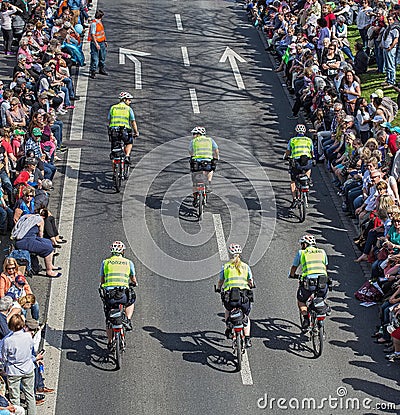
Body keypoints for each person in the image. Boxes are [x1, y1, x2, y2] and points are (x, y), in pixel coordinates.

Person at [99, 241, 137, 350]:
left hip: (109, 296)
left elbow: (102, 280)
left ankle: (110, 341)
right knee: (131, 300)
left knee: (109, 319)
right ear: (122, 251)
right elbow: (133, 279)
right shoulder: (128, 262)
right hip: (123, 294)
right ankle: (128, 319)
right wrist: (134, 283)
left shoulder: (105, 262)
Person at [289, 235, 331, 331]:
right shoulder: (322, 252)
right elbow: (325, 267)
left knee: (301, 300)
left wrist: (292, 275)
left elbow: (294, 267)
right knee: (320, 297)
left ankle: (306, 320)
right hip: (323, 281)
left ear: (304, 244)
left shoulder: (302, 253)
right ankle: (323, 307)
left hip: (309, 283)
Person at [217, 243, 254, 348]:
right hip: (243, 297)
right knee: (246, 317)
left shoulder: (226, 266)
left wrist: (219, 288)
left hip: (230, 297)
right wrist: (251, 285)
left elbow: (221, 281)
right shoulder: (245, 267)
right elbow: (250, 280)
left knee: (228, 310)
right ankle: (247, 339)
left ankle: (229, 328)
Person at [2, 314, 37, 415]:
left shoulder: (8, 341)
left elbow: (4, 357)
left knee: (14, 397)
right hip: (28, 368)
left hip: (13, 371)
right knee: (30, 394)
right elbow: (31, 350)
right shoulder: (28, 336)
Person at [285, 124, 314, 208]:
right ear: (304, 132)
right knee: (309, 166)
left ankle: (294, 199)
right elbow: (312, 152)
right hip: (306, 162)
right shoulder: (309, 140)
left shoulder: (292, 140)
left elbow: (288, 152)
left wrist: (285, 157)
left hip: (296, 163)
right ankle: (308, 179)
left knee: (293, 181)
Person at [189, 126, 219, 206]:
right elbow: (216, 150)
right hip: (207, 162)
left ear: (198, 134)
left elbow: (190, 152)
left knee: (195, 182)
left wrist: (193, 157)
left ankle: (195, 198)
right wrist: (215, 159)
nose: (193, 135)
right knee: (211, 169)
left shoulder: (193, 141)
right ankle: (208, 182)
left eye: (194, 134)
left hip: (196, 163)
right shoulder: (210, 140)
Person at [108, 91, 139, 166]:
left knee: (114, 152)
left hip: (113, 131)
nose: (130, 101)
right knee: (129, 142)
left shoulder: (113, 108)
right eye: (129, 100)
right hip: (124, 131)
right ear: (124, 100)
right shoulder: (128, 109)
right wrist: (136, 132)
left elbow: (109, 120)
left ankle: (114, 174)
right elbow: (133, 122)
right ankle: (127, 156)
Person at [88, 9, 107, 79]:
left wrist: (105, 41)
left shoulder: (99, 22)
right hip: (96, 43)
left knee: (102, 57)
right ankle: (93, 71)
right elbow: (93, 35)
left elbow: (102, 32)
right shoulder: (94, 24)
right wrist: (96, 44)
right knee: (95, 59)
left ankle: (101, 69)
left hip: (101, 42)